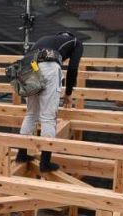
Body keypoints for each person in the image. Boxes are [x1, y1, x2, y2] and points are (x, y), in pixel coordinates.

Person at [15, 30, 83, 172]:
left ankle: (21, 154)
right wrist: (69, 93)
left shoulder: (45, 37)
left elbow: (29, 58)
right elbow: (73, 68)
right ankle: (45, 163)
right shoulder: (76, 43)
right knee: (48, 117)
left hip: (29, 67)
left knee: (31, 114)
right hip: (49, 67)